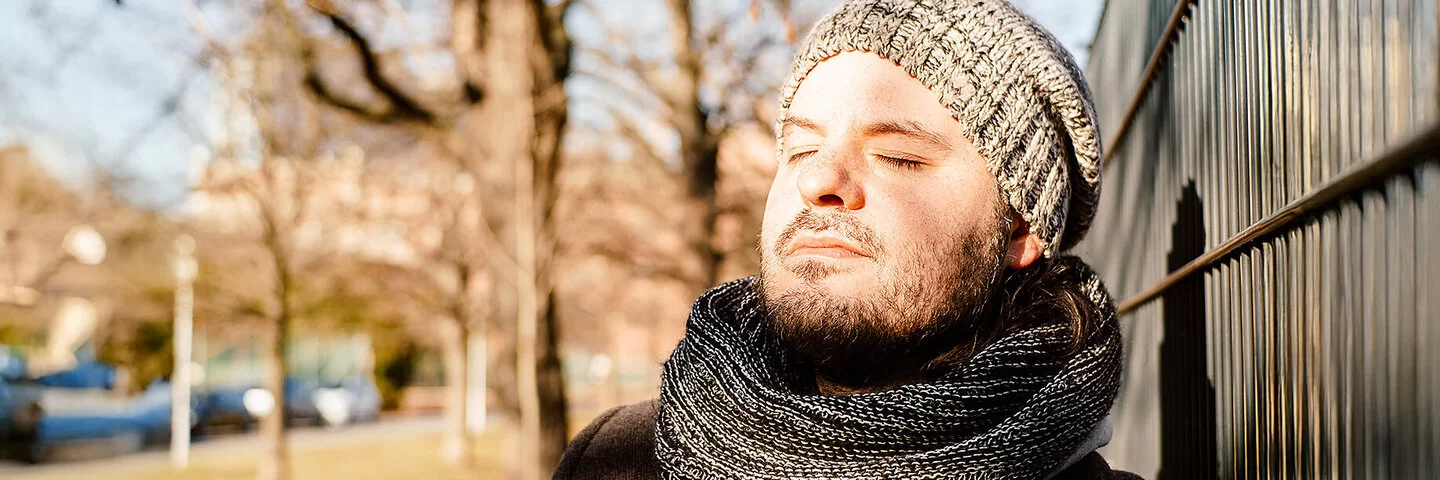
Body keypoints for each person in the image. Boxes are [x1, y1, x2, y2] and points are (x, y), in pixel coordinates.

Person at [556, 0, 1136, 478]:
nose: (817, 181)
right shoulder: (616, 460)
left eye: (897, 156)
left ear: (1018, 230)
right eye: (800, 150)